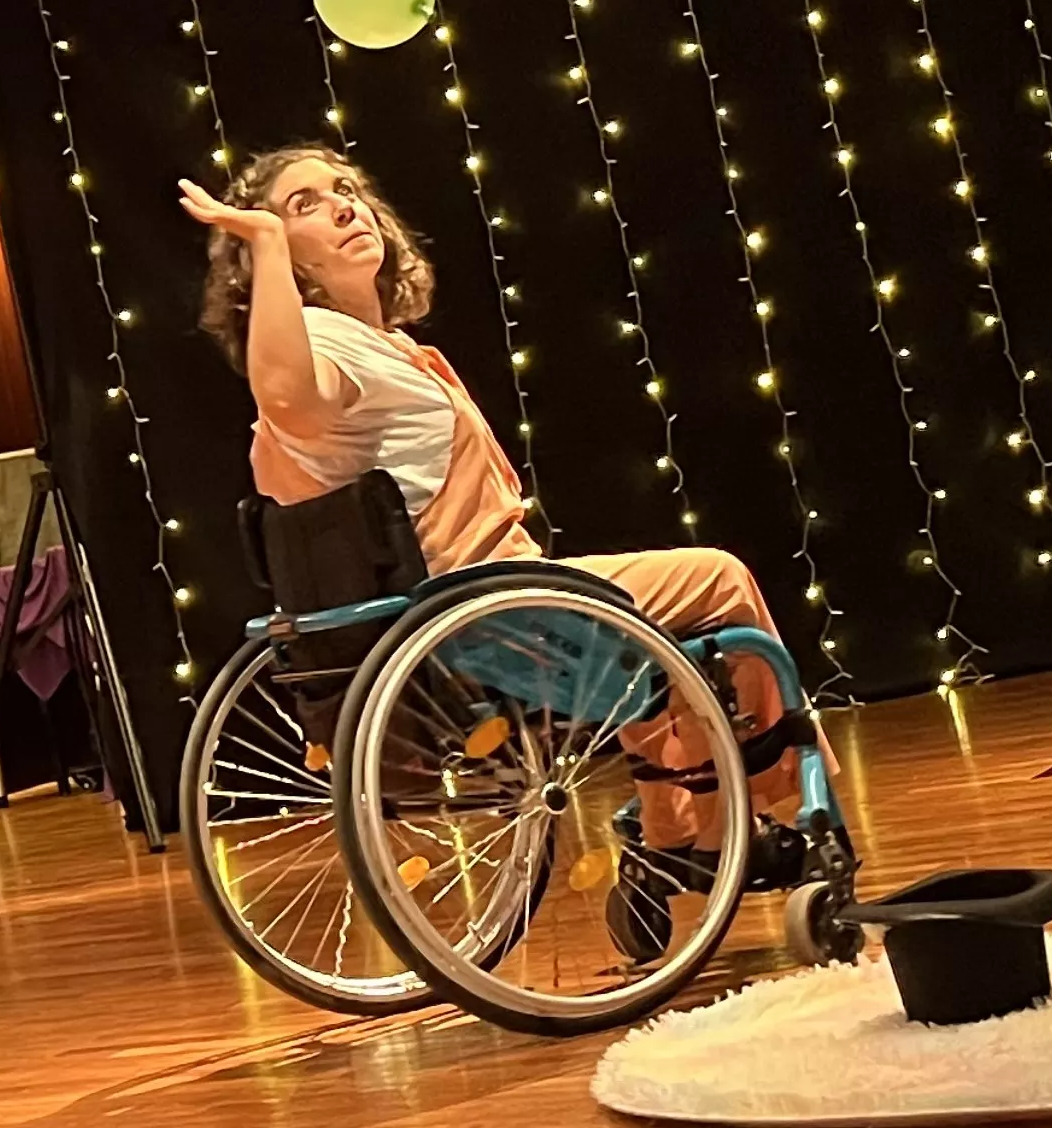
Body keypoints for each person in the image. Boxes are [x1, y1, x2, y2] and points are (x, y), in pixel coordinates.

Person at [179, 143, 810, 863]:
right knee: (718, 581)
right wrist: (260, 245)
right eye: (304, 205)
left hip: (474, 604)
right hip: (480, 608)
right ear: (282, 261)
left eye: (346, 188)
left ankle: (671, 830)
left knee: (636, 626)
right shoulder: (331, 346)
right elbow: (288, 394)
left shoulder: (380, 345)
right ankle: (738, 819)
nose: (343, 205)